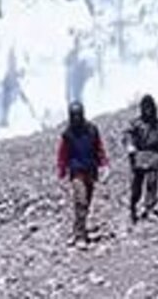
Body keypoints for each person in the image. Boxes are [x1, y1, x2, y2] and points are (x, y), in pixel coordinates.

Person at [56, 100, 108, 247]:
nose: (76, 118)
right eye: (74, 116)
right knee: (81, 201)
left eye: (78, 115)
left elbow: (99, 148)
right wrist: (62, 170)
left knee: (86, 203)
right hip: (77, 171)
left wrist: (104, 163)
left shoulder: (92, 130)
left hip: (91, 170)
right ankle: (80, 236)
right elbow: (63, 153)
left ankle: (79, 228)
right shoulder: (68, 134)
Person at [123, 94, 158, 223]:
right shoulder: (136, 123)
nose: (147, 110)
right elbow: (127, 135)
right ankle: (134, 205)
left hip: (154, 155)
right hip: (139, 156)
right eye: (145, 107)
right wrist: (130, 146)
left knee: (152, 183)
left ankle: (149, 208)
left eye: (149, 107)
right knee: (137, 185)